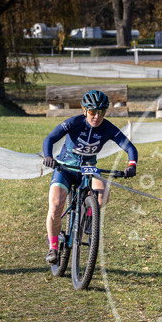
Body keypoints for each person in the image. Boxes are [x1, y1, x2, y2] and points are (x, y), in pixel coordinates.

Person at [42, 89, 137, 264]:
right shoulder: (74, 123)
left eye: (101, 112)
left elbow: (130, 147)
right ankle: (53, 247)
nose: (97, 116)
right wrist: (48, 156)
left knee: (102, 194)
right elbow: (50, 139)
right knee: (55, 206)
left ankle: (88, 217)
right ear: (85, 110)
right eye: (93, 112)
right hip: (66, 169)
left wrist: (132, 165)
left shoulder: (108, 128)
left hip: (89, 170)